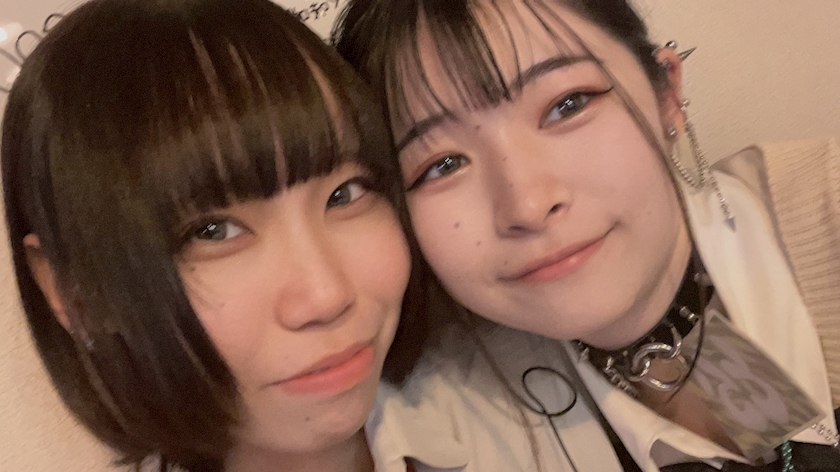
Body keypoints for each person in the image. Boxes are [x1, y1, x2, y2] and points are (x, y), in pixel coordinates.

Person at [335, 0, 840, 470]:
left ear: (666, 94)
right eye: (443, 164)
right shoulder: (442, 412)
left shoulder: (827, 206)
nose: (528, 206)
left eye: (567, 105)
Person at [1, 0, 434, 470]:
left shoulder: (484, 413)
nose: (327, 297)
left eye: (344, 194)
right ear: (76, 293)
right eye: (213, 231)